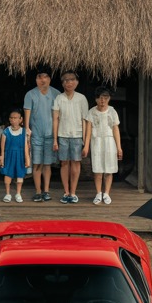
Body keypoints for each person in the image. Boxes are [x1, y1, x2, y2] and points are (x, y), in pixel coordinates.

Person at [51, 70, 89, 204]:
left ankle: (73, 192)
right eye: (66, 80)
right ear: (62, 83)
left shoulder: (81, 98)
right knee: (64, 163)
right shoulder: (59, 98)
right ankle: (66, 192)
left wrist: (84, 139)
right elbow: (55, 119)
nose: (69, 82)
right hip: (62, 135)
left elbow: (85, 119)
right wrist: (55, 139)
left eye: (72, 80)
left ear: (77, 82)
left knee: (76, 163)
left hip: (77, 135)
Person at [23, 68, 60, 202]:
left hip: (51, 134)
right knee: (37, 163)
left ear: (49, 79)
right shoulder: (30, 94)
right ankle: (38, 191)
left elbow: (58, 116)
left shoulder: (56, 94)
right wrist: (27, 129)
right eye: (39, 77)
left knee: (47, 164)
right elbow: (27, 112)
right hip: (36, 134)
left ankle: (46, 191)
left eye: (45, 77)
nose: (42, 80)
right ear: (36, 79)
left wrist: (57, 135)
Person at [83, 87, 122, 205]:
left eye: (105, 98)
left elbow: (116, 129)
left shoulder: (112, 111)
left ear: (109, 99)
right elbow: (88, 131)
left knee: (109, 170)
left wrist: (119, 147)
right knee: (98, 169)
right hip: (97, 142)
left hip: (110, 142)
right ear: (96, 99)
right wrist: (86, 146)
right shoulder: (91, 112)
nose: (103, 100)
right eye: (100, 98)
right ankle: (98, 193)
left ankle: (107, 193)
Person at [0, 108, 30, 203]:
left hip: (20, 156)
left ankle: (18, 193)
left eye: (15, 118)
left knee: (20, 174)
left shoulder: (24, 132)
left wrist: (27, 158)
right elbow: (2, 147)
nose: (13, 120)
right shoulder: (6, 132)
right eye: (11, 118)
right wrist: (2, 158)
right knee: (8, 173)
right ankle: (8, 194)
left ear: (21, 119)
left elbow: (26, 146)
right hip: (9, 156)